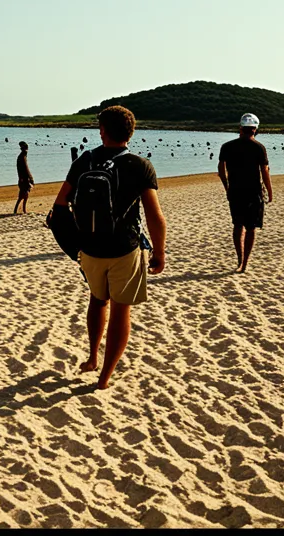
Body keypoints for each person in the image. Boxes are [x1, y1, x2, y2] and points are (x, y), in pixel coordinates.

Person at [53, 106, 166, 390]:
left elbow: (60, 204)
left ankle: (92, 358)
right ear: (131, 132)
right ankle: (104, 377)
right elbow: (154, 215)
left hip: (90, 249)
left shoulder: (85, 160)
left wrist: (75, 244)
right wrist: (160, 252)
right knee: (120, 310)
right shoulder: (140, 165)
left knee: (96, 300)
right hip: (124, 249)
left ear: (102, 131)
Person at [218, 113, 273, 273]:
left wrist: (227, 187)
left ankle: (239, 260)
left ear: (240, 128)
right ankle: (245, 264)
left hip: (235, 191)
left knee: (237, 225)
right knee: (251, 227)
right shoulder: (259, 147)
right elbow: (265, 172)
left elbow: (221, 170)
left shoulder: (227, 146)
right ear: (255, 130)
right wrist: (270, 191)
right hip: (254, 192)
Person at [14, 141, 34, 215]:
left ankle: (23, 209)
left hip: (24, 178)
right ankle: (17, 209)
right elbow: (23, 168)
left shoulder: (22, 156)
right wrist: (26, 177)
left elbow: (25, 168)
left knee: (25, 195)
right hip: (24, 178)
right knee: (22, 195)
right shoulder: (22, 157)